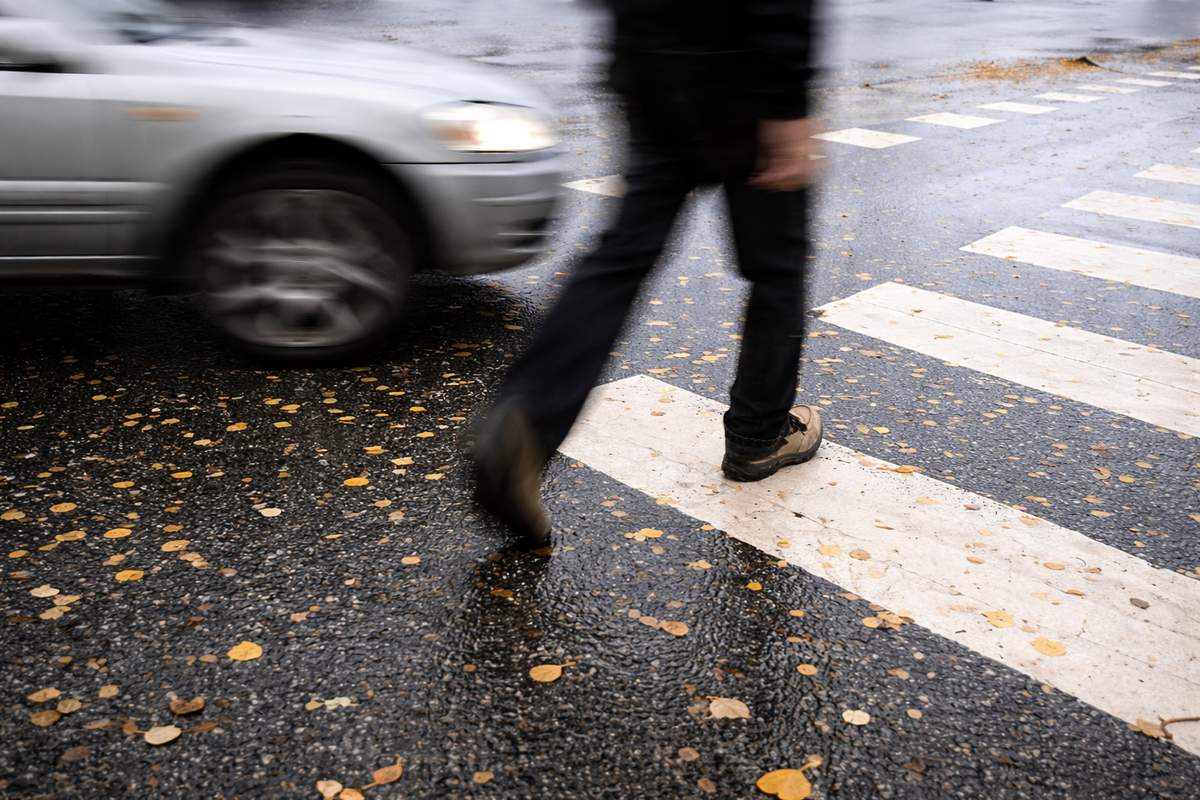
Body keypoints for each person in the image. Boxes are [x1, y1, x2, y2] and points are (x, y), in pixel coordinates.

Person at [471, 0, 823, 545]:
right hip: (742, 74)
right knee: (777, 267)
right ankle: (758, 437)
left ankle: (528, 419)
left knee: (621, 256)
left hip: (650, 63)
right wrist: (787, 103)